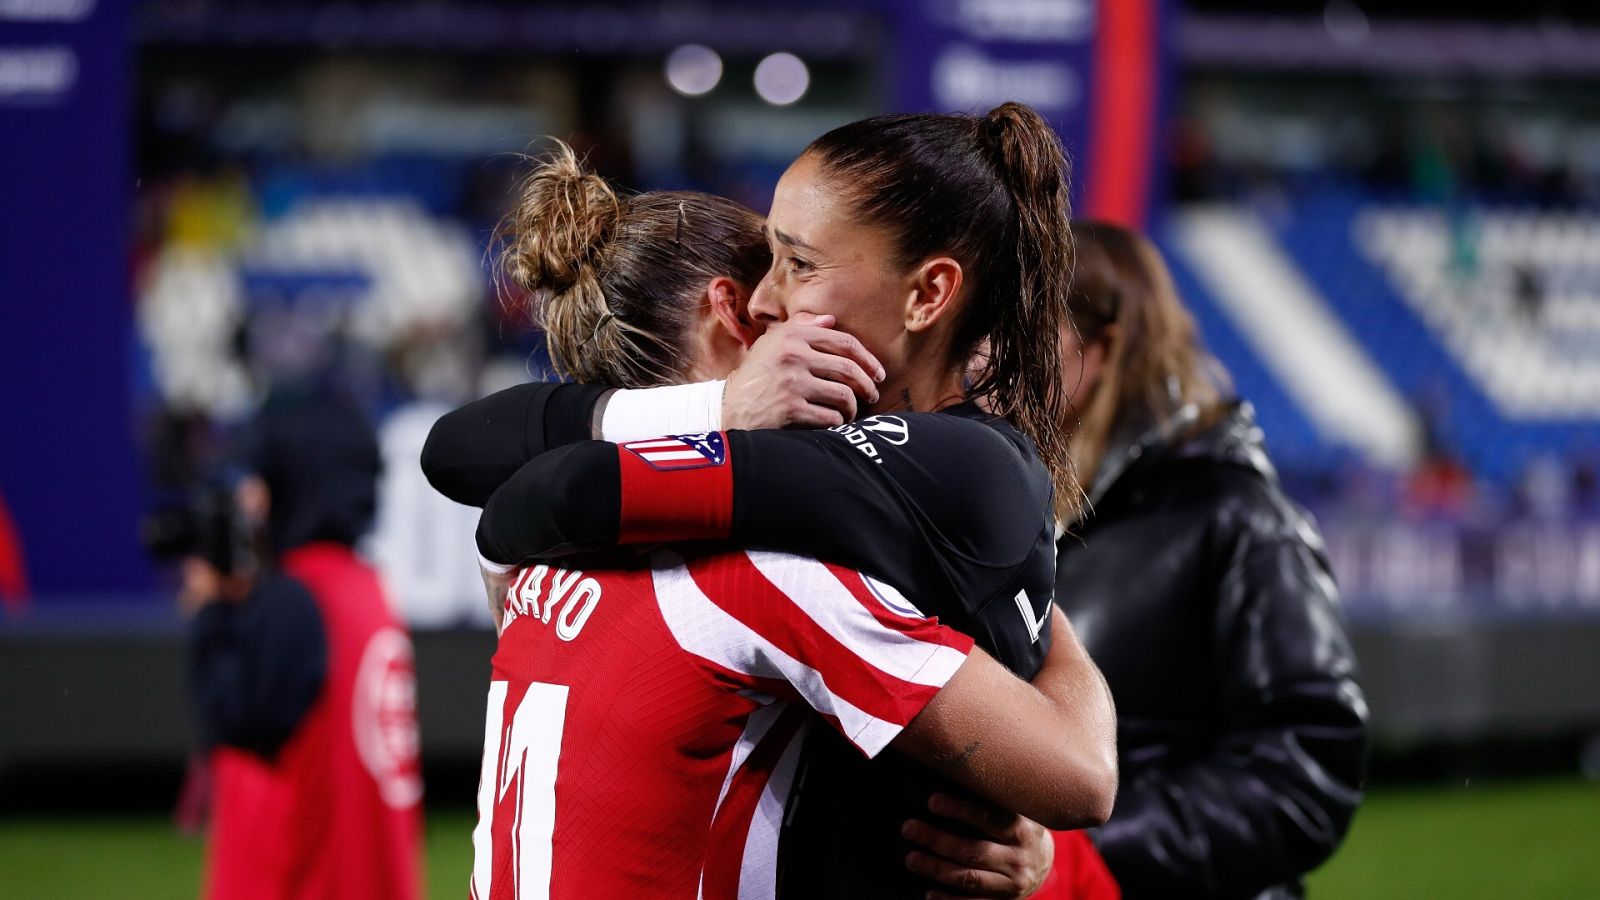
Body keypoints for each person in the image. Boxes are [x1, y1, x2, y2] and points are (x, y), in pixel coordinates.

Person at [426, 112, 1102, 899]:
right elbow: (1078, 774)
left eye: (799, 263)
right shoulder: (772, 572)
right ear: (728, 312)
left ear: (928, 295)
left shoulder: (549, 570)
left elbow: (528, 489)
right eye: (770, 263)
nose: (770, 299)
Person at [1046, 221, 1368, 899]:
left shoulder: (1238, 515)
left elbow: (1307, 773)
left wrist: (1079, 858)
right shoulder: (1021, 512)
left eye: (1029, 330)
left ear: (1104, 346)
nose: (992, 357)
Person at [187, 390, 423, 900]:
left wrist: (212, 611)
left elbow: (230, 717)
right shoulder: (368, 590)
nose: (253, 503)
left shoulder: (296, 598)